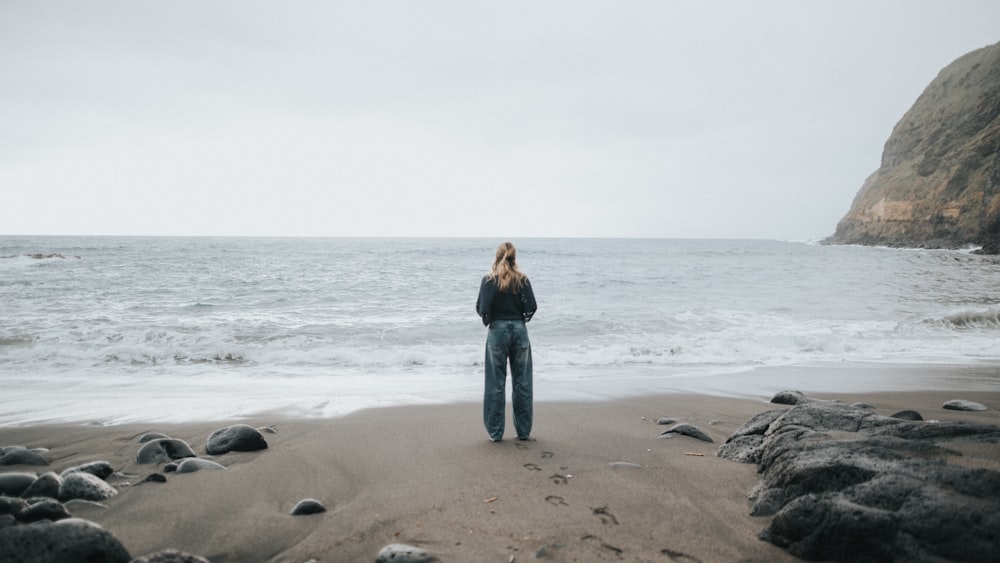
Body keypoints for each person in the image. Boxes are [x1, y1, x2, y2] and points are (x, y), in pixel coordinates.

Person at [476, 241, 538, 442]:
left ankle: (495, 433)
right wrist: (519, 316)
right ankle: (523, 432)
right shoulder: (522, 280)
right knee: (523, 383)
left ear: (497, 257)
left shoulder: (489, 280)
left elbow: (482, 308)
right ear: (514, 258)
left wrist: (492, 318)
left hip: (498, 331)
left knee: (495, 383)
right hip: (519, 330)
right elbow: (532, 306)